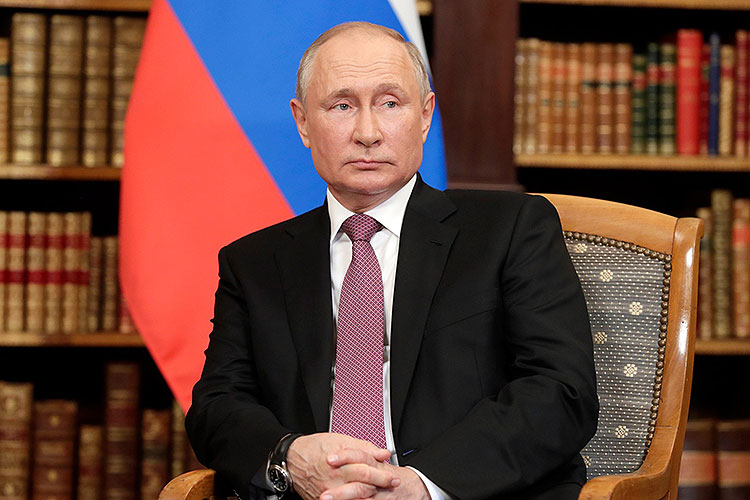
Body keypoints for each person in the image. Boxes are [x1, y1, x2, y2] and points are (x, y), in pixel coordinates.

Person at [186, 21, 598, 500]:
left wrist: (421, 485)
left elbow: (559, 392)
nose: (367, 132)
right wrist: (289, 456)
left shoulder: (510, 229)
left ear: (425, 115)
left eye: (389, 103)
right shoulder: (253, 262)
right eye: (342, 106)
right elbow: (217, 407)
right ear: (302, 122)